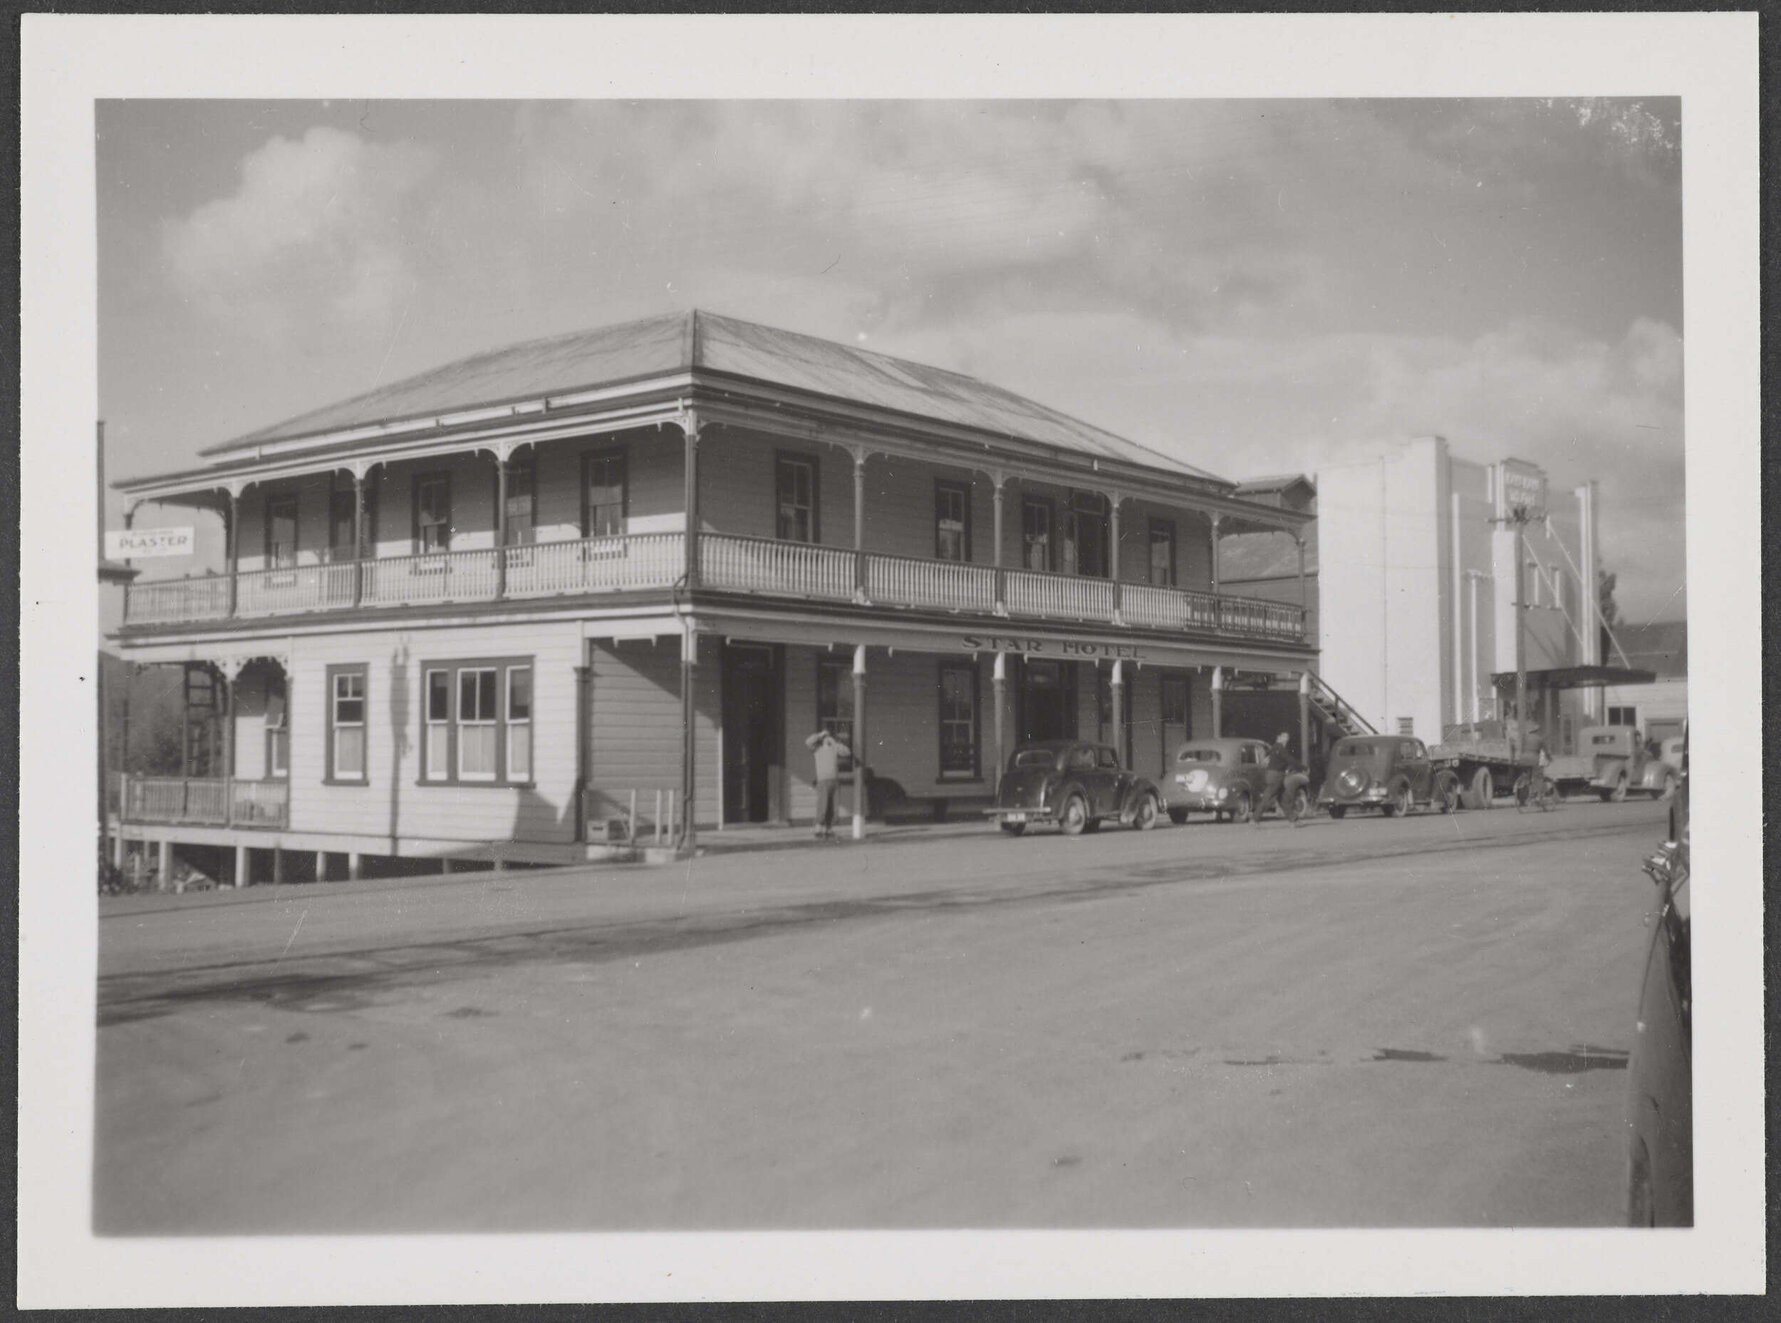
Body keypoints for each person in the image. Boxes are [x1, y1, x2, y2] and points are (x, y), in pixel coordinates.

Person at [805, 728, 853, 840]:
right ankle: (818, 829)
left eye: (828, 738)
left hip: (834, 780)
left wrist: (834, 742)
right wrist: (820, 735)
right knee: (823, 805)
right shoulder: (817, 749)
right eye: (825, 739)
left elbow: (846, 752)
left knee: (833, 806)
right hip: (823, 780)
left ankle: (829, 829)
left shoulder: (833, 748)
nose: (827, 740)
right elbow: (808, 742)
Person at [1253, 731, 1307, 827]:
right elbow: (1289, 759)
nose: (1287, 739)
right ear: (1279, 737)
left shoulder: (1275, 747)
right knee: (1268, 797)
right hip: (1276, 776)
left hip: (1274, 775)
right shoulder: (1280, 748)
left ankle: (1293, 820)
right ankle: (1254, 819)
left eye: (1287, 737)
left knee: (1283, 798)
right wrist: (1303, 767)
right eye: (1285, 737)